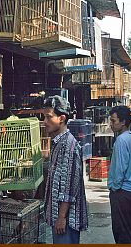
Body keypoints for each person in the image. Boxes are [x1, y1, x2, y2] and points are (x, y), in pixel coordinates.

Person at [42, 95, 88, 244]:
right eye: (44, 117)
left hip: (67, 221)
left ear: (61, 118)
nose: (44, 122)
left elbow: (69, 186)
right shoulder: (58, 143)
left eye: (49, 117)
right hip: (60, 219)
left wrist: (61, 218)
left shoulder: (69, 146)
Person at [108, 106, 131, 244]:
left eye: (113, 121)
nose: (111, 124)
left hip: (123, 191)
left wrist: (115, 188)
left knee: (122, 230)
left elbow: (119, 169)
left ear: (123, 122)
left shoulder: (121, 141)